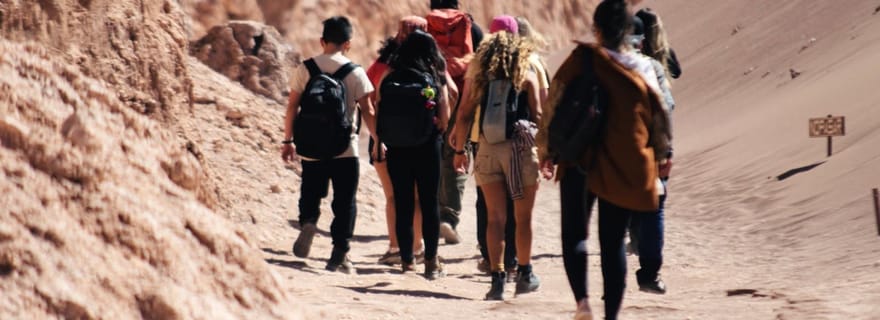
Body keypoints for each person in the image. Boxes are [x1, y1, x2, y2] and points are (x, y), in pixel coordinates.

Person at [537, 0, 672, 319]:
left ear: (595, 29)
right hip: (624, 162)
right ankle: (611, 315)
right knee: (612, 242)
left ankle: (583, 303)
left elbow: (553, 102)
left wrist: (547, 151)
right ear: (628, 31)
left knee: (575, 234)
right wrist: (664, 155)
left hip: (578, 158)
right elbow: (659, 117)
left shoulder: (582, 59)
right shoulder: (642, 67)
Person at [452, 19, 542, 300]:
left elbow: (465, 112)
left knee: (494, 218)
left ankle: (497, 279)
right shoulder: (527, 69)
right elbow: (539, 114)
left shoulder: (479, 72)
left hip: (487, 147)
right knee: (523, 217)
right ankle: (525, 273)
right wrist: (548, 151)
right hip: (520, 149)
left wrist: (458, 150)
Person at [282, 16, 379, 274]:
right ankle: (339, 254)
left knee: (310, 190)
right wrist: (379, 140)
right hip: (345, 148)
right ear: (348, 44)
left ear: (321, 41)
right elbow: (368, 110)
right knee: (345, 200)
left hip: (311, 144)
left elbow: (292, 106)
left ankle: (309, 221)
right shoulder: (355, 72)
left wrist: (288, 140)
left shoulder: (306, 68)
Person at [374, 30, 453, 279]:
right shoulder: (433, 77)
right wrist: (437, 128)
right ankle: (431, 262)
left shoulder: (390, 75)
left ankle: (407, 262)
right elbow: (445, 114)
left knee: (403, 202)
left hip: (397, 147)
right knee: (429, 203)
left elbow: (378, 106)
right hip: (427, 145)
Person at [366, 16, 432, 266]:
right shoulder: (433, 64)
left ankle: (395, 247)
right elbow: (454, 93)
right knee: (417, 197)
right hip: (421, 138)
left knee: (393, 197)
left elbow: (368, 98)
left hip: (387, 138)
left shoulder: (383, 65)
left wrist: (375, 136)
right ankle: (418, 246)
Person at [624, 12, 677, 295]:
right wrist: (666, 150)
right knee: (654, 208)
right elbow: (665, 108)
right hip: (647, 149)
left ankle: (614, 281)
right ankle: (649, 275)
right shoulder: (652, 67)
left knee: (614, 215)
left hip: (612, 153)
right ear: (641, 43)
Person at [426, 0, 485, 245]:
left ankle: (427, 215)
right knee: (458, 156)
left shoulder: (425, 28)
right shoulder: (473, 29)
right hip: (464, 99)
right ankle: (448, 217)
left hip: (430, 99)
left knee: (431, 156)